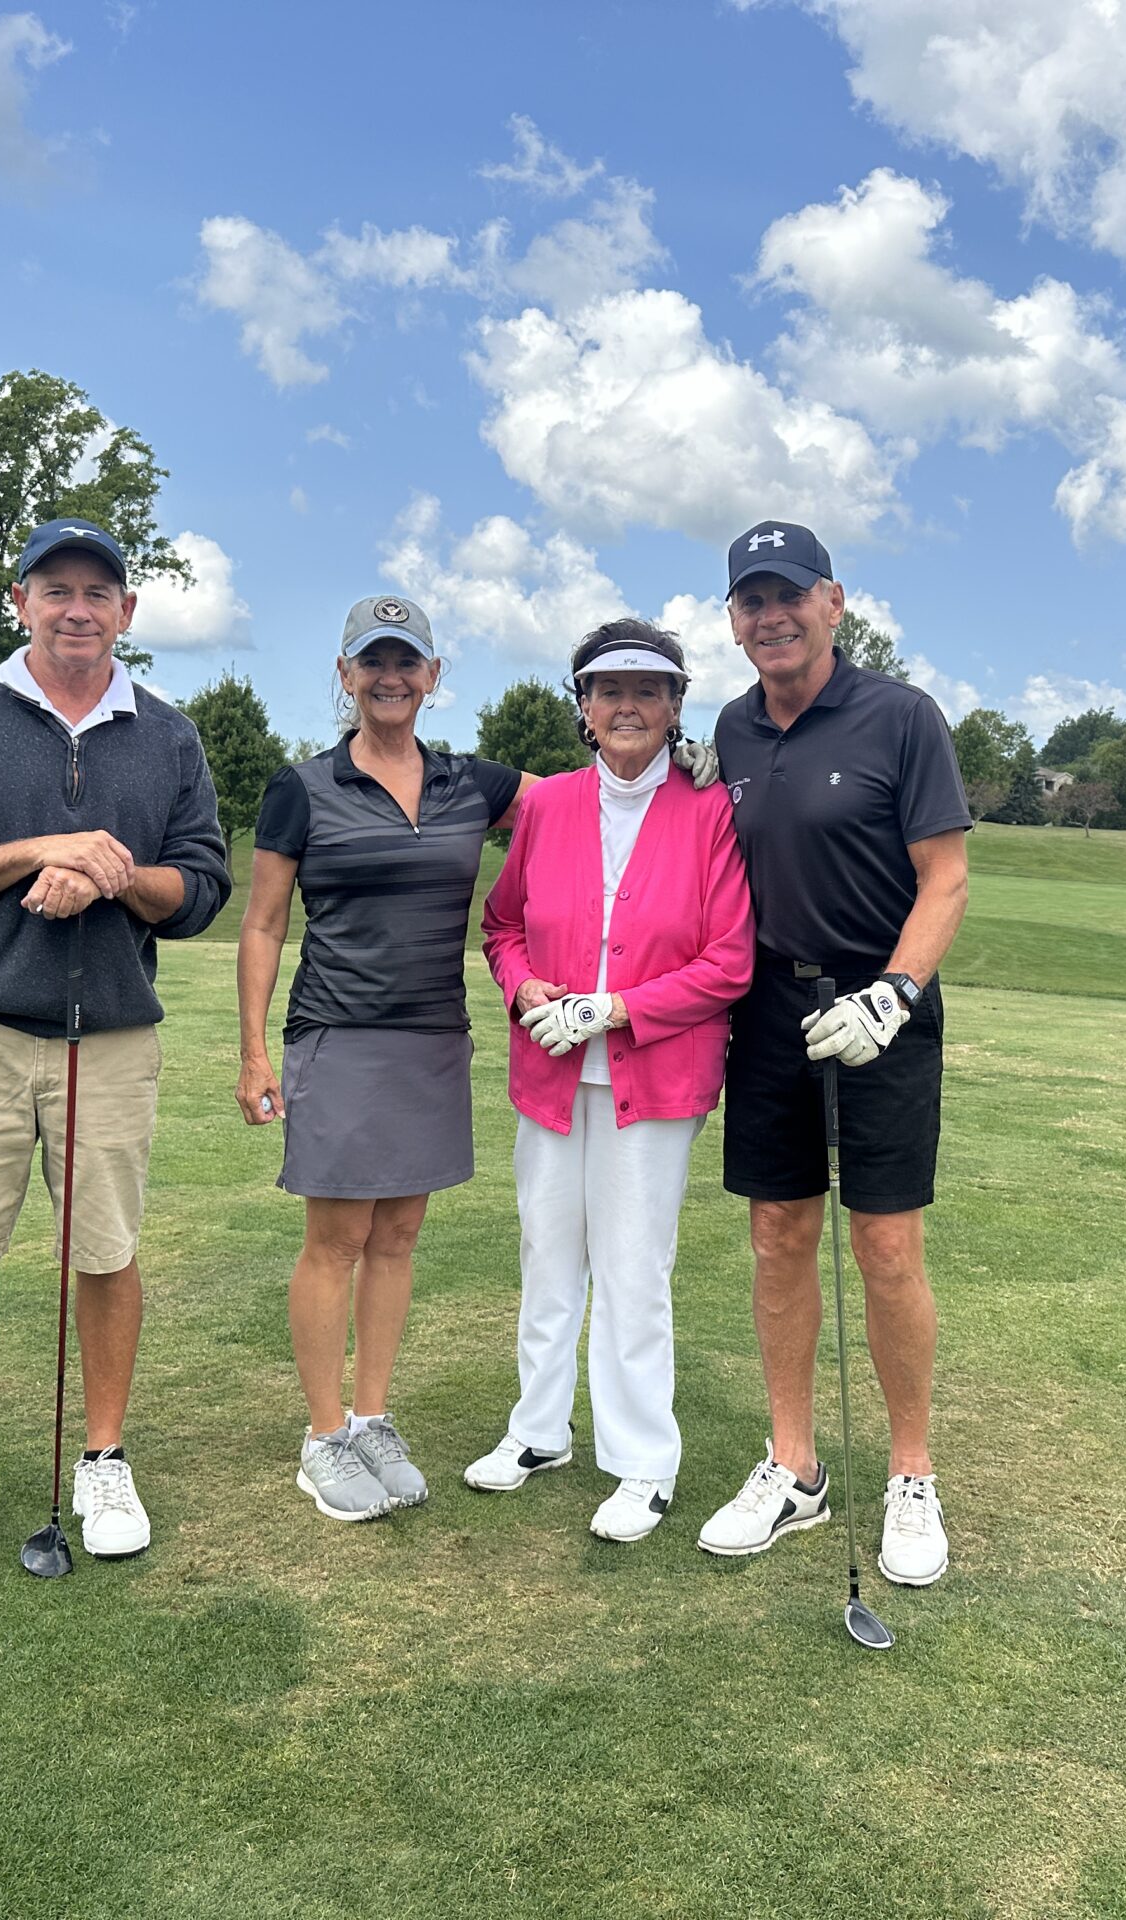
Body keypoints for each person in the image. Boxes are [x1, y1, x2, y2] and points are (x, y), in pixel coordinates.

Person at [0, 517, 232, 1565]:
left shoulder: (168, 736)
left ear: (126, 612)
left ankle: (105, 1459)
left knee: (107, 1252)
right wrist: (43, 847)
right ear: (20, 602)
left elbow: (200, 888)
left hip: (111, 1038)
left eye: (97, 592)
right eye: (55, 589)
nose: (77, 608)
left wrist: (114, 873)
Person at [696, 520, 971, 1588]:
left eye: (789, 595)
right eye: (751, 601)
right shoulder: (732, 727)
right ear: (733, 620)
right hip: (767, 1007)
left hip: (880, 1006)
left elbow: (943, 880)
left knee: (886, 1246)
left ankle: (909, 1473)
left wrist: (894, 994)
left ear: (833, 603)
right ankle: (794, 1466)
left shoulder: (901, 718)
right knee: (777, 1233)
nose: (771, 615)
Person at [232, 594, 525, 1523]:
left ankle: (371, 1418)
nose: (390, 677)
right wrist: (253, 1052)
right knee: (337, 1240)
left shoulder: (473, 784)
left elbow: (593, 794)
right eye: (372, 662)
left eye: (408, 663)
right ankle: (323, 1438)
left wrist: (684, 760)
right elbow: (266, 922)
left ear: (433, 677)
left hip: (434, 1038)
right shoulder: (302, 786)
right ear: (346, 674)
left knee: (398, 1236)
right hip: (339, 1034)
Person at [472, 621, 754, 1541]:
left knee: (634, 1267)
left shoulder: (711, 809)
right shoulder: (548, 804)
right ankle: (538, 1430)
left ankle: (643, 1462)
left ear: (676, 708)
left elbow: (730, 959)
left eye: (648, 689)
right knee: (547, 1255)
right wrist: (528, 993)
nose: (626, 705)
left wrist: (618, 1009)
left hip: (653, 1074)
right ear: (583, 709)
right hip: (551, 1070)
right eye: (607, 690)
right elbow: (503, 926)